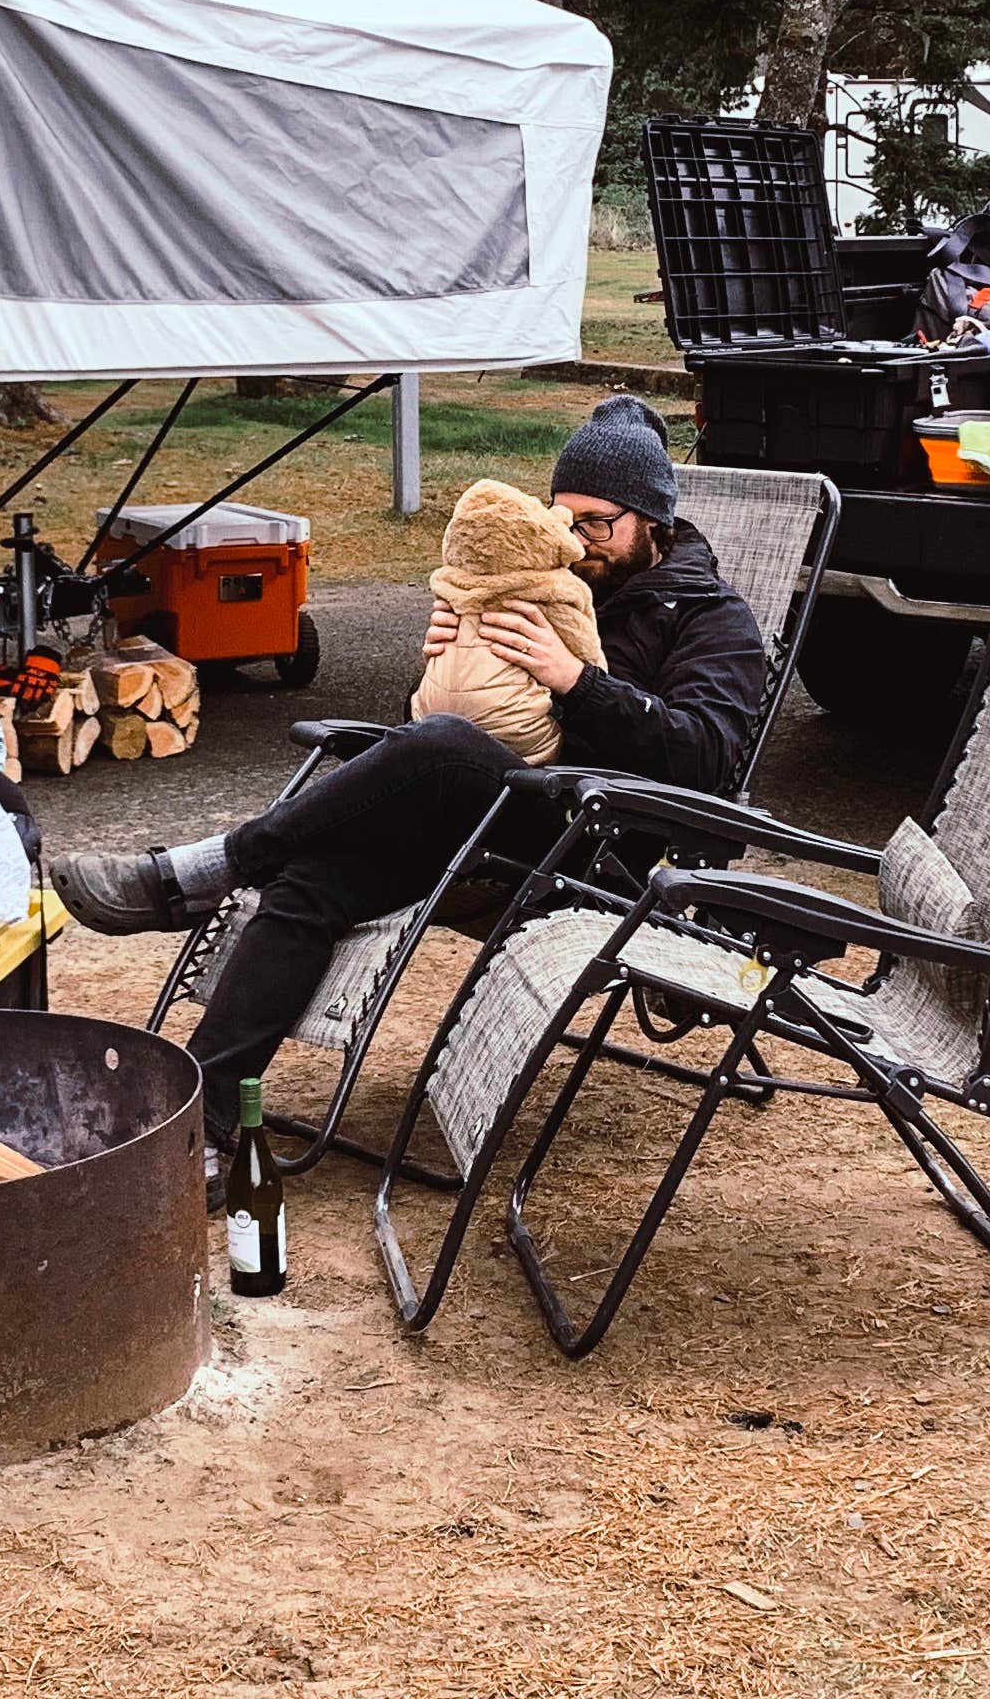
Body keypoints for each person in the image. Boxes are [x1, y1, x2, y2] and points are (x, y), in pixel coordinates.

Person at [47, 396, 773, 1142]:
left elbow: (704, 756)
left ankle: (216, 867)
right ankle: (204, 1126)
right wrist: (441, 671)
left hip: (589, 845)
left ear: (653, 521)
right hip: (475, 825)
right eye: (562, 515)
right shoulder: (531, 579)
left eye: (597, 522)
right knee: (312, 883)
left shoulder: (711, 616)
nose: (574, 537)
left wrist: (574, 680)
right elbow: (435, 729)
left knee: (443, 745)